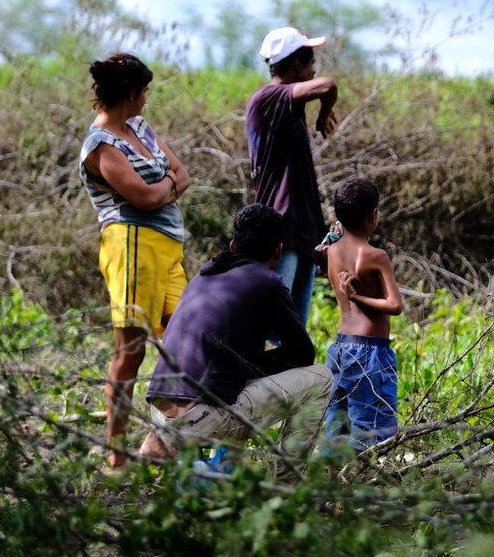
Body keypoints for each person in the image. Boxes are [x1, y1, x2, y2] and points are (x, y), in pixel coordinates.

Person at [139, 204, 332, 462]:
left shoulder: (203, 276)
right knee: (321, 378)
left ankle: (197, 461)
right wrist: (248, 365)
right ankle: (286, 486)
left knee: (232, 384)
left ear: (232, 246)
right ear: (279, 250)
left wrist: (242, 366)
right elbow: (303, 353)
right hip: (203, 418)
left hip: (159, 413)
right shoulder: (267, 281)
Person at [79, 52, 190, 470]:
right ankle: (117, 452)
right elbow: (145, 197)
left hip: (167, 246)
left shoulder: (138, 127)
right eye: (143, 92)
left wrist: (162, 187)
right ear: (129, 94)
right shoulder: (101, 144)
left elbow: (183, 174)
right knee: (131, 350)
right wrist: (166, 187)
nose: (146, 100)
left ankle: (166, 439)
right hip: (131, 245)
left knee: (185, 338)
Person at [245, 27, 340, 327]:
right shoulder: (268, 98)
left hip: (300, 235)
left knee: (294, 331)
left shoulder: (290, 111)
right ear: (296, 63)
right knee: (273, 328)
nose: (314, 70)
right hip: (280, 234)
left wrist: (320, 240)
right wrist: (324, 113)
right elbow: (328, 86)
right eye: (311, 61)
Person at [322, 178, 404, 451]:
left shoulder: (332, 251)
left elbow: (320, 255)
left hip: (341, 349)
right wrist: (357, 296)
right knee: (373, 431)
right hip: (371, 353)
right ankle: (364, 484)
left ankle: (334, 485)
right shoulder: (375, 256)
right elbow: (395, 305)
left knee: (338, 427)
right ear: (373, 215)